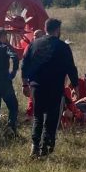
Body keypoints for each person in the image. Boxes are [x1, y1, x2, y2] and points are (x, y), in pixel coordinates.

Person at [21, 17, 78, 157]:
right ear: (57, 30)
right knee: (51, 118)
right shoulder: (63, 46)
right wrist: (75, 86)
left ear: (45, 29)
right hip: (54, 88)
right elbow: (71, 68)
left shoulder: (33, 44)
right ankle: (45, 148)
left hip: (36, 88)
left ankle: (34, 146)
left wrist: (24, 84)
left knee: (38, 116)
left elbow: (24, 66)